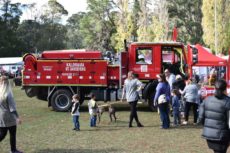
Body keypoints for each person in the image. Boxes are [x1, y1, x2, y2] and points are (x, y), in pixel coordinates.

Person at [198, 79, 230, 153]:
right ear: (225, 89)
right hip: (222, 137)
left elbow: (201, 118)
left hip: (210, 135)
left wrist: (207, 127)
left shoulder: (207, 100)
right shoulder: (228, 102)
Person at [0, 76, 23, 153]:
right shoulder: (8, 94)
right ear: (8, 83)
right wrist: (17, 117)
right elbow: (12, 108)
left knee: (3, 133)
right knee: (12, 133)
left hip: (1, 116)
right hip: (9, 116)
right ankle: (13, 150)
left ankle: (13, 150)